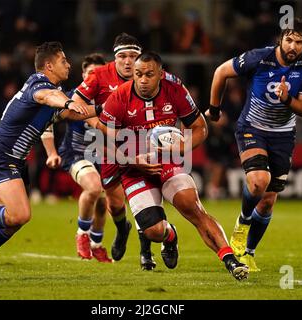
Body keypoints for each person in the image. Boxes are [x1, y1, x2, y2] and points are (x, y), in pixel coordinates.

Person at [97, 51, 249, 281]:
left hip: (167, 161)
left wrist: (181, 148)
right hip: (134, 168)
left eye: (149, 74)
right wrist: (131, 159)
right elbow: (102, 138)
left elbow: (200, 127)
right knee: (154, 231)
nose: (143, 80)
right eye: (138, 75)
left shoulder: (175, 89)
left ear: (161, 74)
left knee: (194, 209)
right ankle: (170, 237)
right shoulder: (119, 97)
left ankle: (231, 260)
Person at [0, 42, 90, 279]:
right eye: (63, 61)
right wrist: (68, 101)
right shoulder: (39, 85)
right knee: (20, 214)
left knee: (12, 221)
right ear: (48, 66)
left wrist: (105, 108)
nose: (68, 64)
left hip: (13, 160)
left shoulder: (52, 91)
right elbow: (49, 97)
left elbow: (70, 113)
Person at [206, 19, 302, 271]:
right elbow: (221, 72)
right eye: (289, 40)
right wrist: (215, 109)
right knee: (258, 180)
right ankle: (242, 225)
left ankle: (248, 252)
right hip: (252, 128)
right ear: (280, 40)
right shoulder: (260, 57)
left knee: (268, 201)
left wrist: (287, 99)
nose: (293, 46)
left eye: (298, 42)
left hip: (283, 135)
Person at [72, 33, 183, 270]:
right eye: (123, 56)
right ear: (115, 58)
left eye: (133, 56)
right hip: (110, 148)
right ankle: (122, 230)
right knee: (114, 202)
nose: (128, 61)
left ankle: (146, 253)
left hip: (145, 145)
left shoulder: (150, 76)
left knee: (147, 198)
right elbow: (75, 103)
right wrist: (98, 123)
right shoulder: (99, 75)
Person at [41, 53, 112, 262]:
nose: (95, 78)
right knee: (93, 187)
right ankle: (82, 234)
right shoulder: (72, 97)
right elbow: (47, 120)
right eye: (91, 73)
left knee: (102, 204)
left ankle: (96, 245)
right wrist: (51, 152)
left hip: (103, 157)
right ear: (83, 75)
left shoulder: (112, 98)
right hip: (75, 154)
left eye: (99, 74)